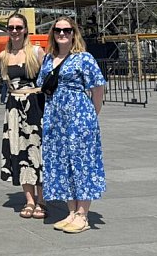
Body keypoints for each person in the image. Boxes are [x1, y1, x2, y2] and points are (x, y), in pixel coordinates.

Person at [38, 17, 106, 233]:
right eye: (58, 30)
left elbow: (97, 88)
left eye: (67, 30)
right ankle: (71, 211)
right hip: (55, 118)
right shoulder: (48, 59)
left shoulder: (83, 58)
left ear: (74, 33)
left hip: (79, 117)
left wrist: (92, 116)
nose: (62, 34)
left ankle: (83, 214)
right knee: (61, 163)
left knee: (82, 163)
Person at [0, 13, 46, 220]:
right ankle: (28, 199)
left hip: (34, 106)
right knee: (19, 152)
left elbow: (46, 82)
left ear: (25, 29)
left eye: (19, 27)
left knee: (37, 151)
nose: (15, 31)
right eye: (11, 27)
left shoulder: (36, 52)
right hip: (14, 109)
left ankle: (42, 199)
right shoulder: (3, 56)